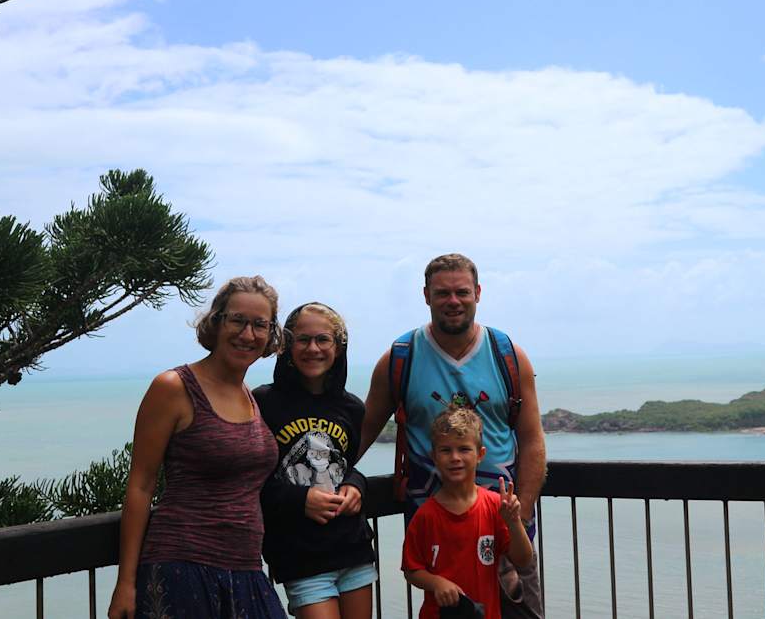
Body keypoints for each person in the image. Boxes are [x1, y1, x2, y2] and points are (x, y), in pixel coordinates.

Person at [360, 253, 547, 618]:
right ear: (426, 295)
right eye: (443, 293)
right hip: (437, 530)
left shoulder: (507, 355)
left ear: (478, 293)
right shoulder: (402, 357)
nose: (453, 301)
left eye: (462, 292)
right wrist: (335, 483)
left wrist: (519, 517)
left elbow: (532, 439)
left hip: (502, 524)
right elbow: (364, 431)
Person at [107, 276, 287, 619]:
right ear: (217, 323)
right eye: (237, 320)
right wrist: (126, 583)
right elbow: (141, 485)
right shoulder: (174, 387)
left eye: (259, 325)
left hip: (246, 568)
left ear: (269, 334)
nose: (247, 334)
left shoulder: (249, 395)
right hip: (182, 566)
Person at [253, 302, 376, 618]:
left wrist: (355, 484)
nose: (313, 348)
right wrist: (299, 499)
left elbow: (347, 467)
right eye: (302, 339)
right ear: (287, 345)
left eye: (323, 340)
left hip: (353, 547)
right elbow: (250, 479)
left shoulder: (352, 408)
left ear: (338, 347)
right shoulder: (263, 403)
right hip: (301, 556)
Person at [402, 406, 533, 619]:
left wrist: (514, 522)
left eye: (464, 449)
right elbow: (412, 570)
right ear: (434, 456)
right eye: (446, 450)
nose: (455, 457)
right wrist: (437, 583)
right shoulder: (426, 516)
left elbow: (523, 559)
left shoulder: (494, 506)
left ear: (480, 455)